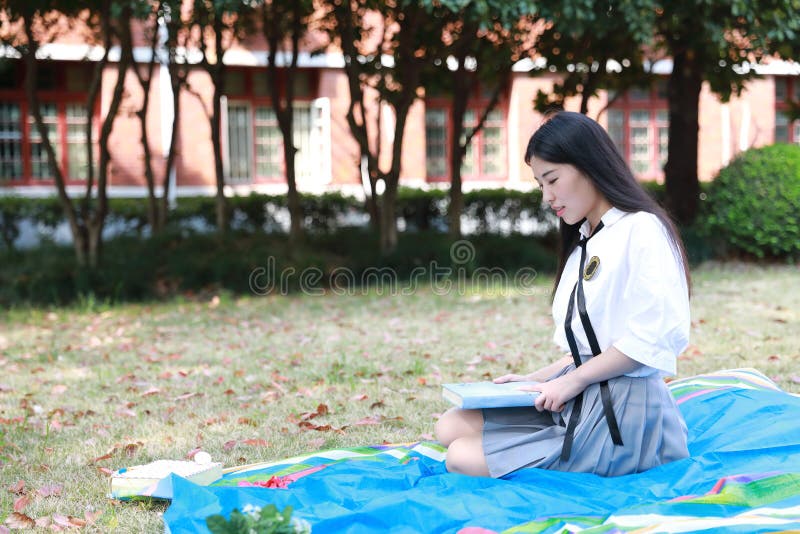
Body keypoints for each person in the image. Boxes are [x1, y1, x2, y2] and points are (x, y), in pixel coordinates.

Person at [434, 111, 692, 478]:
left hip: (623, 412)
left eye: (552, 179)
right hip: (585, 393)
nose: (547, 196)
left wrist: (572, 381)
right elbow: (591, 348)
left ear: (589, 166)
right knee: (451, 425)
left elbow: (650, 340)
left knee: (460, 456)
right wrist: (534, 379)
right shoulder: (586, 238)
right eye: (541, 184)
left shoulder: (642, 229)